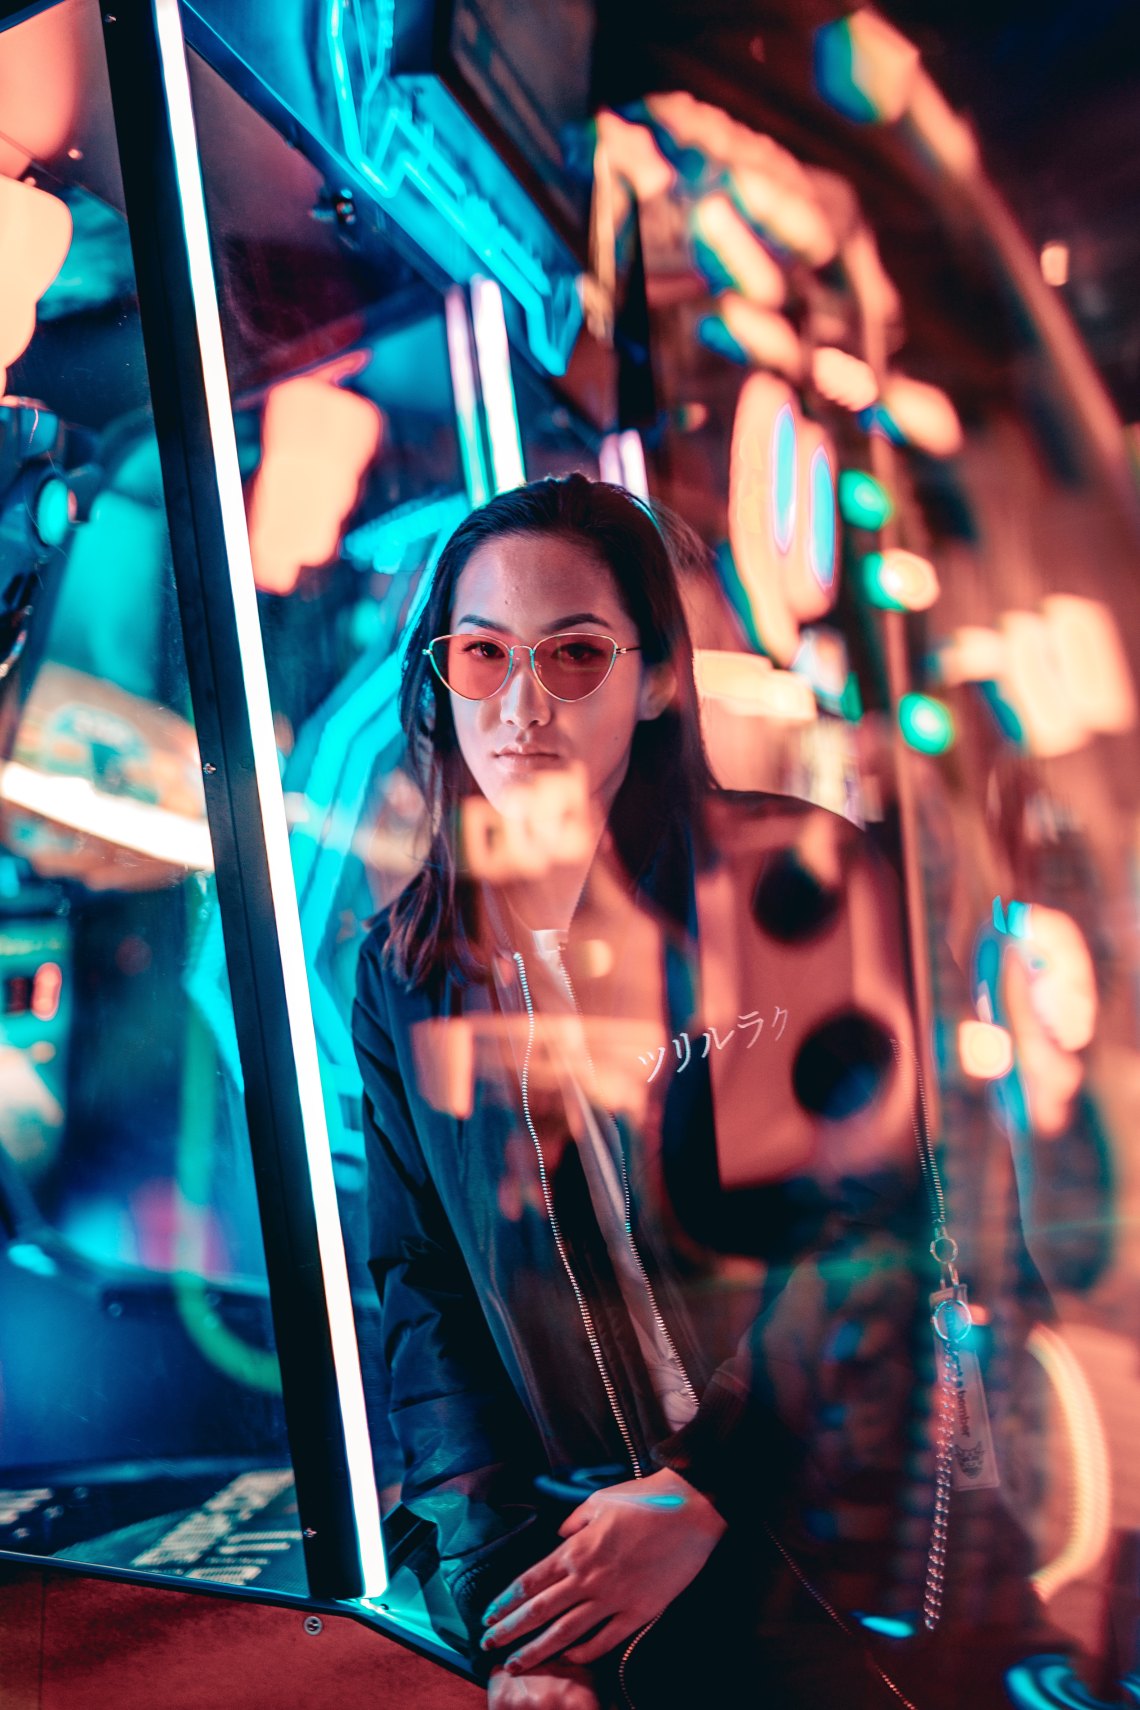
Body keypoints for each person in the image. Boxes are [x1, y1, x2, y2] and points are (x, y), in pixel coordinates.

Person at [352, 475, 1056, 1710]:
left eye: (575, 655)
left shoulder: (788, 881)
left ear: (656, 677)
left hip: (843, 1529)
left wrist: (705, 1488)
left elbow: (865, 1226)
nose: (521, 704)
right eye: (482, 653)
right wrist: (516, 1609)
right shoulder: (408, 968)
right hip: (610, 1570)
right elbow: (426, 1299)